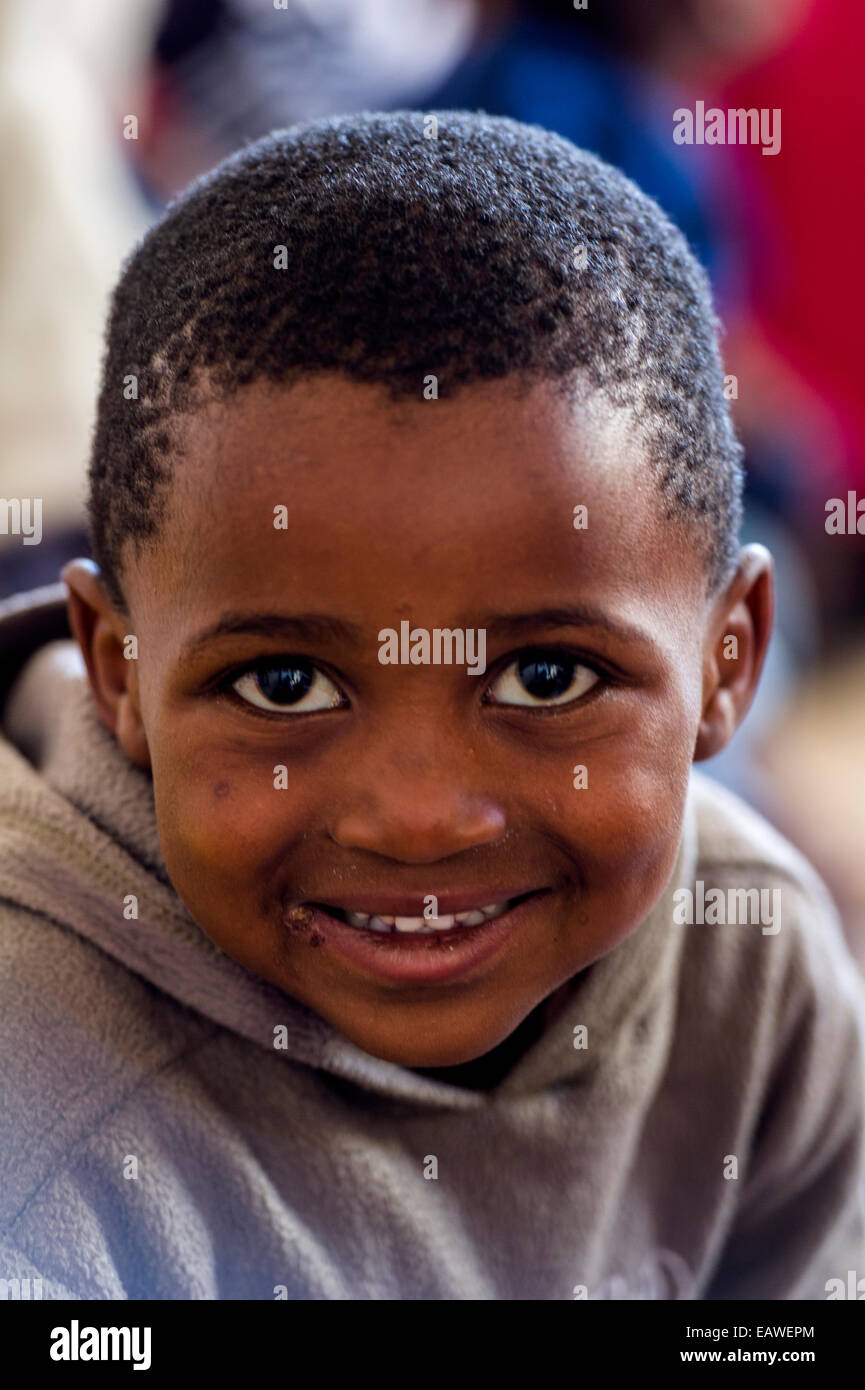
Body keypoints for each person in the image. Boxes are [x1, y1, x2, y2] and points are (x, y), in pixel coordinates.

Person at [0, 110, 862, 1301]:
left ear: (726, 664)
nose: (416, 818)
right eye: (284, 684)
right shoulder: (37, 1133)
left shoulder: (753, 970)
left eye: (546, 678)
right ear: (117, 668)